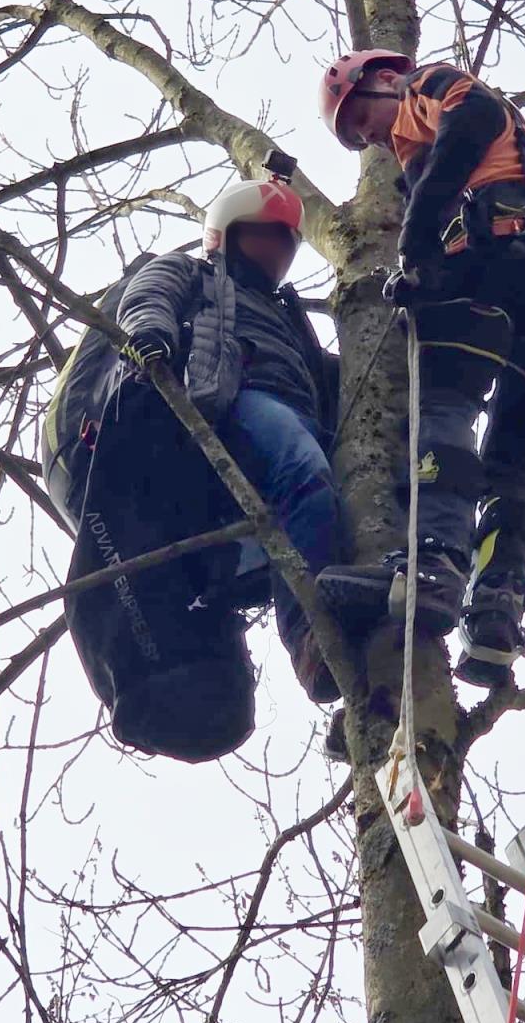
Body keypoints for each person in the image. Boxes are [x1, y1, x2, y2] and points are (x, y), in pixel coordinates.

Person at [313, 51, 525, 689]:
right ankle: (497, 605)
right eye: (358, 139)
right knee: (512, 466)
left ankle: (434, 566)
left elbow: (471, 124)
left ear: (384, 79)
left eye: (363, 118)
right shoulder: (437, 159)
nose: (372, 138)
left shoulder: (431, 88)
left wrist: (416, 246)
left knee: (443, 409)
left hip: (493, 262)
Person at [42, 163, 342, 761]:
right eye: (262, 234)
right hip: (227, 398)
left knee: (319, 490)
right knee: (300, 466)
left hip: (276, 437)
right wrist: (151, 340)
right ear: (226, 236)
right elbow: (149, 297)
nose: (276, 250)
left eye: (285, 242)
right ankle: (310, 634)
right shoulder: (194, 273)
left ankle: (344, 608)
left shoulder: (290, 319)